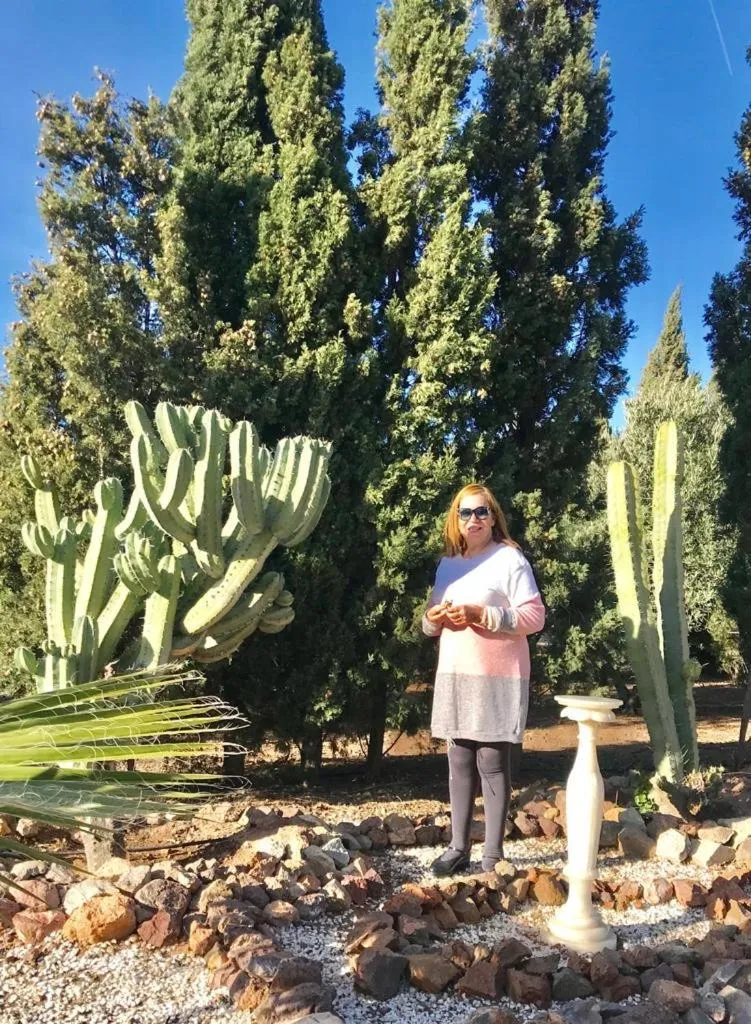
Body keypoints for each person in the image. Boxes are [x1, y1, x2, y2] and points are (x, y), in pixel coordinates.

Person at [422, 482, 545, 876]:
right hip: (456, 675)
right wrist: (434, 619)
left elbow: (534, 617)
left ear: (494, 518)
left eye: (481, 512)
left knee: (491, 761)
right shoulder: (448, 565)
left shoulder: (510, 560)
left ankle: (493, 854)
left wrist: (482, 615)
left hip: (497, 677)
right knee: (458, 759)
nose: (473, 519)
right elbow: (428, 625)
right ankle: (458, 848)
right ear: (455, 520)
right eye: (465, 513)